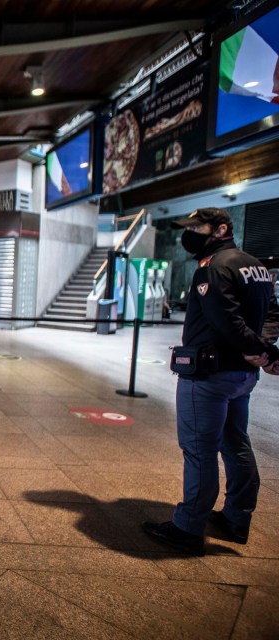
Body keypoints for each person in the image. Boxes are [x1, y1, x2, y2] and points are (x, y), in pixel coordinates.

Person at [143, 208, 279, 556]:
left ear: (220, 228)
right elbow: (272, 314)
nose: (189, 235)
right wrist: (267, 353)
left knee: (200, 450)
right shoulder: (257, 266)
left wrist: (259, 349)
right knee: (235, 443)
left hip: (209, 375)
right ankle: (236, 518)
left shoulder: (214, 268)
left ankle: (188, 526)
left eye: (196, 228)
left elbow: (226, 322)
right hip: (242, 377)